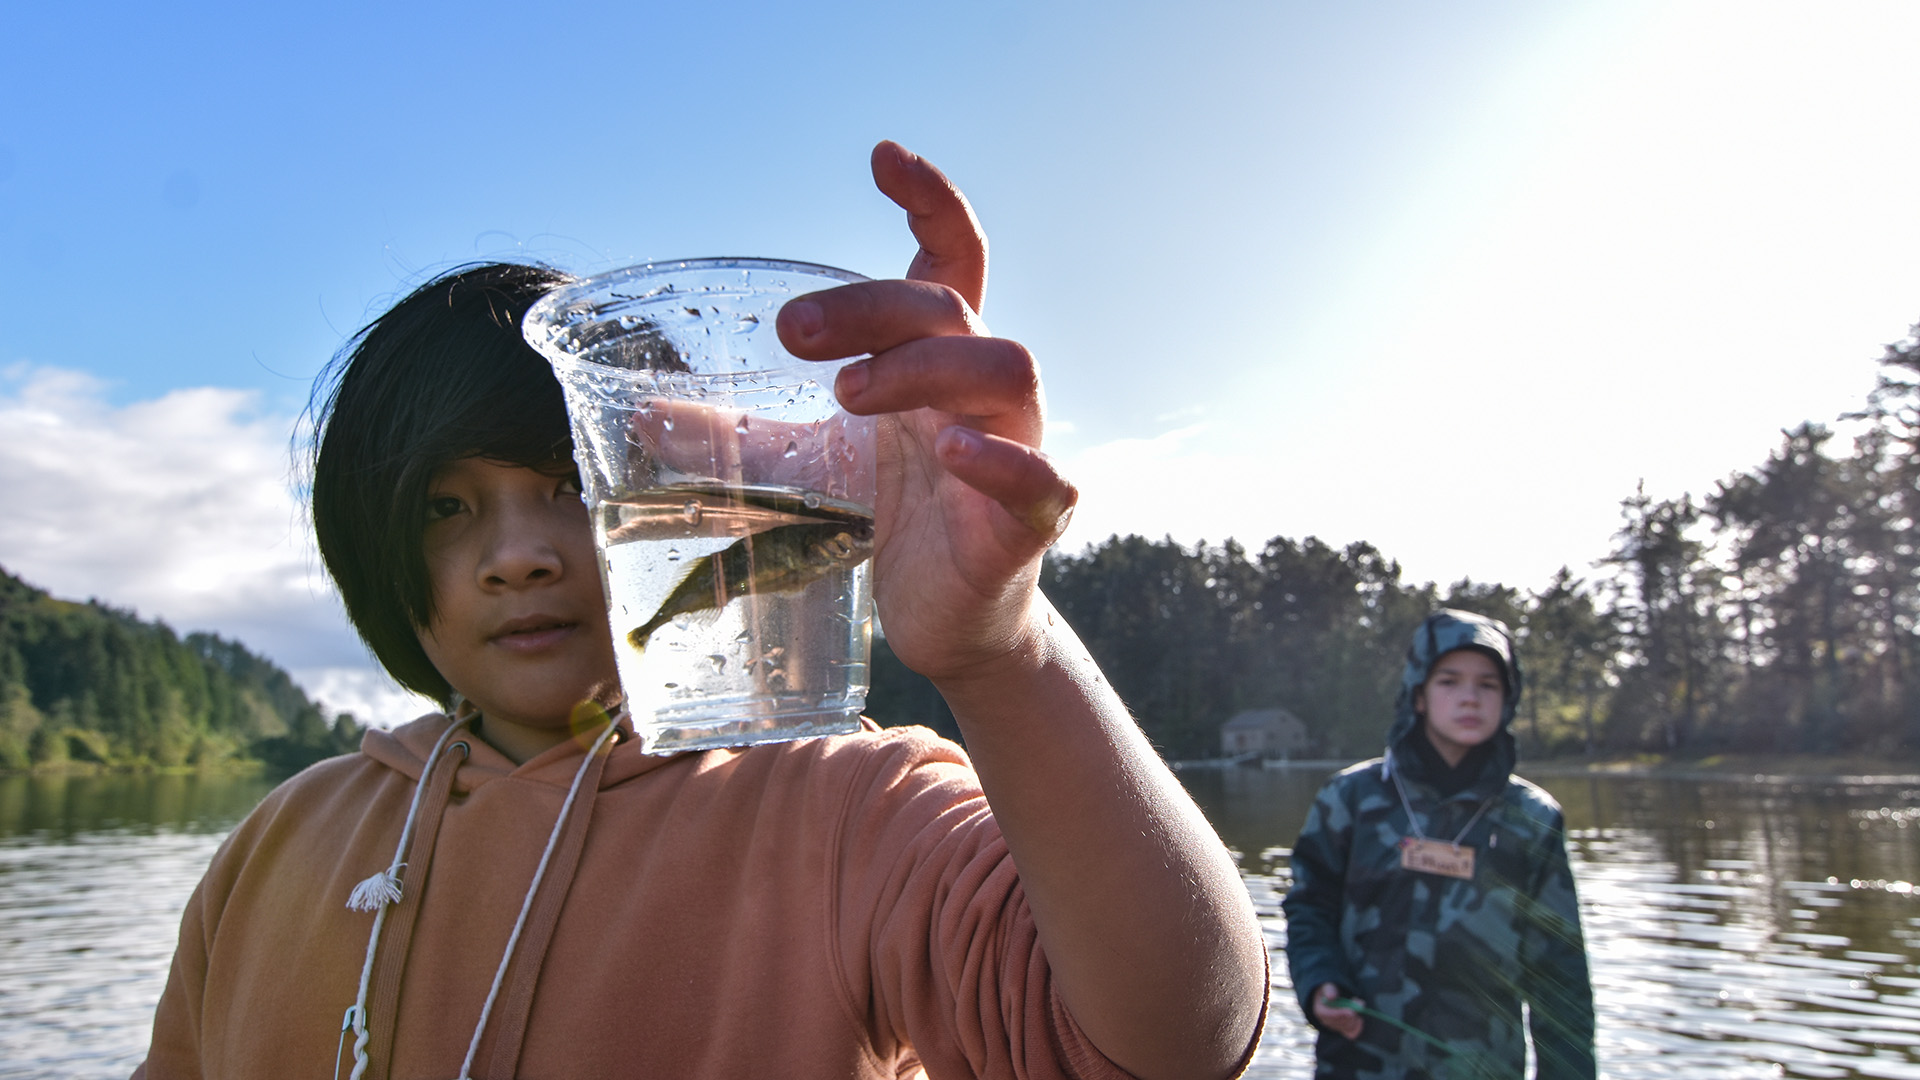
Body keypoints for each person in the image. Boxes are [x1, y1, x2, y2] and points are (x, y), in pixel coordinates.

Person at [132, 142, 1268, 1080]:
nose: (518, 556)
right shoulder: (276, 845)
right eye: (445, 506)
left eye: (570, 484)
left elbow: (1171, 1043)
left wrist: (1001, 652)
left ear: (678, 495)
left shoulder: (841, 809)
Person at [1281, 609, 1594, 1079]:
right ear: (1420, 695)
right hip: (1358, 1064)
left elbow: (1561, 977)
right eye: (1449, 681)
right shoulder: (1349, 798)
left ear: (1508, 699)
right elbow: (1310, 908)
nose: (1470, 698)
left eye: (1488, 684)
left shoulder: (1533, 819)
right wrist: (1319, 982)